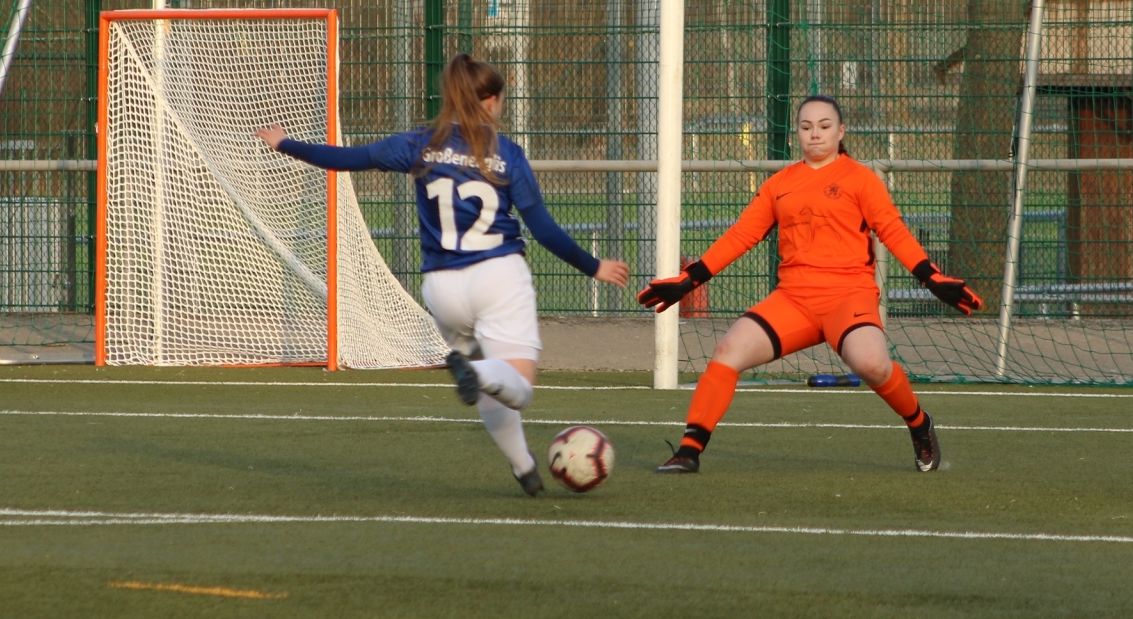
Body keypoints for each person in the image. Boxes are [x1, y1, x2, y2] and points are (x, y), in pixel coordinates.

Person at [258, 53, 630, 496]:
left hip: (442, 288)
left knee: (486, 375)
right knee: (515, 385)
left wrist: (286, 143)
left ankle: (524, 467)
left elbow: (346, 158)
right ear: (491, 101)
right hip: (498, 277)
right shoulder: (506, 154)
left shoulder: (418, 144)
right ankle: (480, 376)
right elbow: (543, 229)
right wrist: (593, 266)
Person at [638, 94, 981, 475]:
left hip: (849, 297)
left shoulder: (861, 179)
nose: (815, 133)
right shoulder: (779, 184)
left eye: (824, 126)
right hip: (793, 300)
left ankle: (919, 423)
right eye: (806, 127)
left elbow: (893, 231)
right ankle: (688, 452)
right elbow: (741, 235)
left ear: (841, 131)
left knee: (872, 365)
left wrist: (930, 276)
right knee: (727, 350)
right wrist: (690, 279)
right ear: (795, 134)